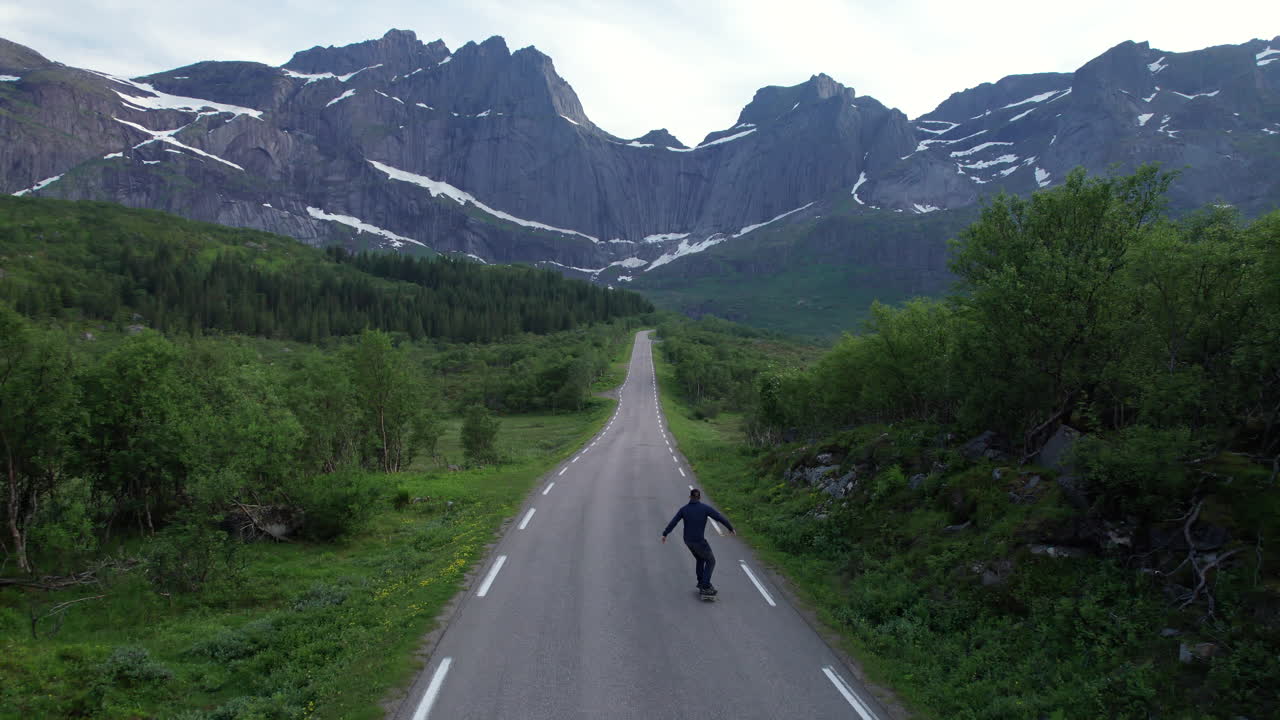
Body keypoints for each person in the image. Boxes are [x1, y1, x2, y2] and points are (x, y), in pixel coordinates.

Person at [662, 488, 735, 595]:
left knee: (700, 559)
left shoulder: (684, 509)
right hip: (699, 541)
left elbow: (674, 522)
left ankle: (701, 582)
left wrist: (665, 533)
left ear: (690, 497)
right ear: (699, 498)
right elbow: (719, 517)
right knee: (711, 561)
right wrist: (730, 528)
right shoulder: (705, 508)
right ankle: (705, 586)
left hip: (687, 541)